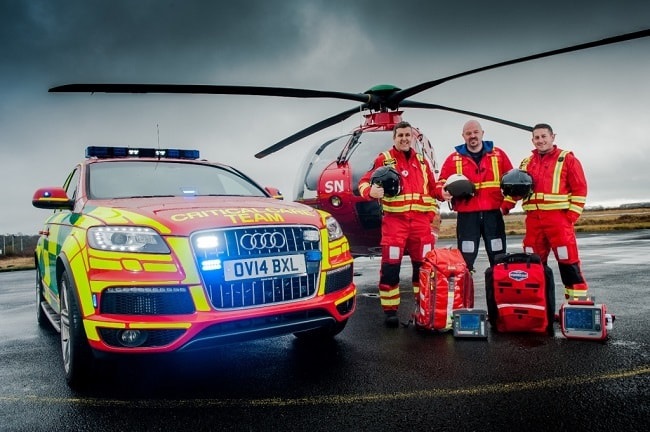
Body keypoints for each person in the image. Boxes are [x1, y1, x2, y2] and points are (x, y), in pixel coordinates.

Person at [358, 121, 439, 327]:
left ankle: (423, 305)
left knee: (423, 268)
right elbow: (363, 182)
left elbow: (434, 189)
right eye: (400, 135)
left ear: (412, 137)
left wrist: (444, 193)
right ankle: (391, 311)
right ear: (394, 138)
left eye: (407, 135)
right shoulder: (384, 159)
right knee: (390, 269)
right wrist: (370, 192)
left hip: (421, 225)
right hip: (395, 225)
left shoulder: (422, 162)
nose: (404, 138)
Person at [502, 123, 589, 300]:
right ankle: (540, 306)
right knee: (532, 264)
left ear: (552, 137)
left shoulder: (567, 159)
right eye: (537, 137)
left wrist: (570, 217)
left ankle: (577, 303)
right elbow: (518, 189)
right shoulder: (526, 162)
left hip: (558, 221)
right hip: (533, 221)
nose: (540, 140)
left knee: (568, 261)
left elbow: (580, 189)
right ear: (532, 140)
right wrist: (504, 207)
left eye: (544, 136)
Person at [435, 119, 514, 271]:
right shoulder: (453, 158)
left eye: (476, 132)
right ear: (463, 136)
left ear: (482, 133)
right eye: (468, 133)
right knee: (465, 261)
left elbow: (512, 183)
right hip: (467, 219)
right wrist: (442, 192)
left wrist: (505, 207)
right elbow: (441, 183)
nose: (472, 136)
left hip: (493, 216)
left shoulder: (499, 155)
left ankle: (497, 294)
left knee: (499, 259)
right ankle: (465, 293)